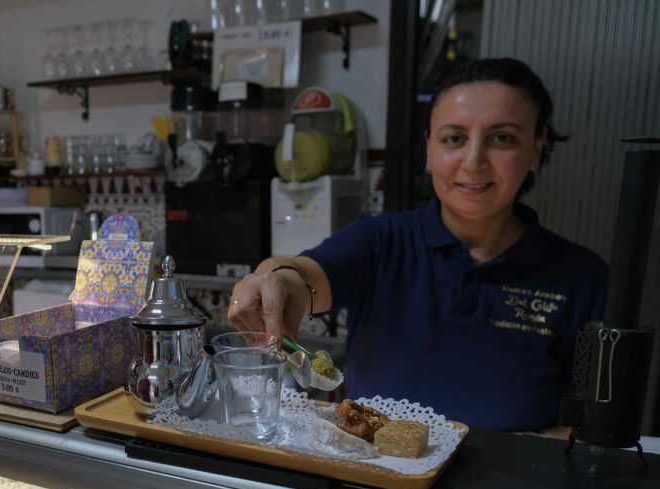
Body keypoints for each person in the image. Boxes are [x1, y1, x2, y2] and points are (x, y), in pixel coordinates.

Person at [227, 58, 608, 434]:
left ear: (537, 148)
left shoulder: (583, 277)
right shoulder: (383, 241)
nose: (474, 162)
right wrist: (274, 280)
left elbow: (588, 423)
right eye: (454, 138)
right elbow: (304, 274)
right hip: (370, 481)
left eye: (503, 138)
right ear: (429, 148)